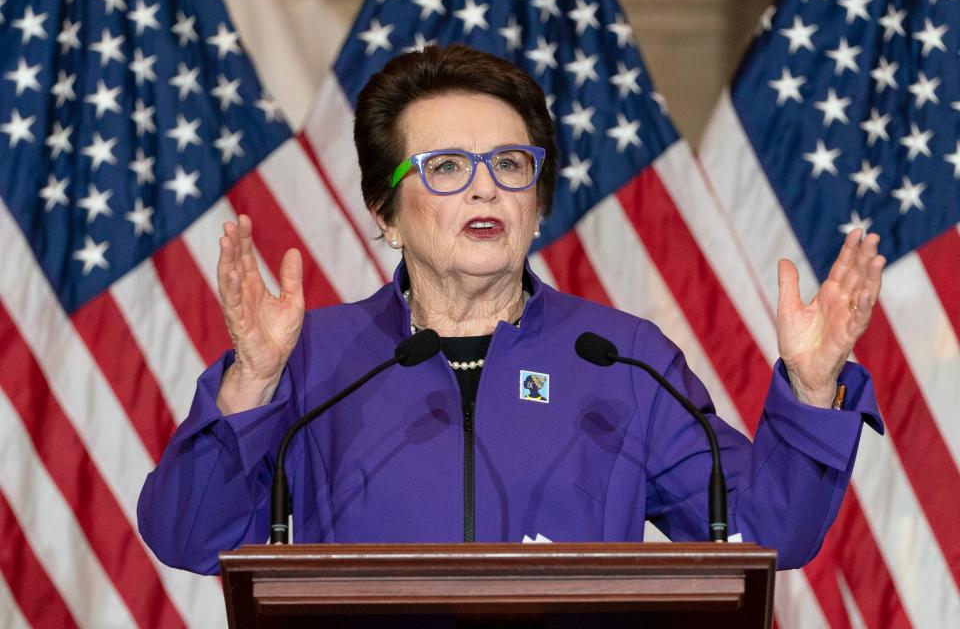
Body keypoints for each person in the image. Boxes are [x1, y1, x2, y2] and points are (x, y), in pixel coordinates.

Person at [137, 45, 884, 576]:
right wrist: (252, 384)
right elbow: (190, 537)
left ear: (537, 200)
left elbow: (769, 535)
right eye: (448, 167)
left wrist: (813, 390)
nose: (486, 189)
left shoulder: (623, 360)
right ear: (386, 211)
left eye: (511, 164)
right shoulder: (316, 359)